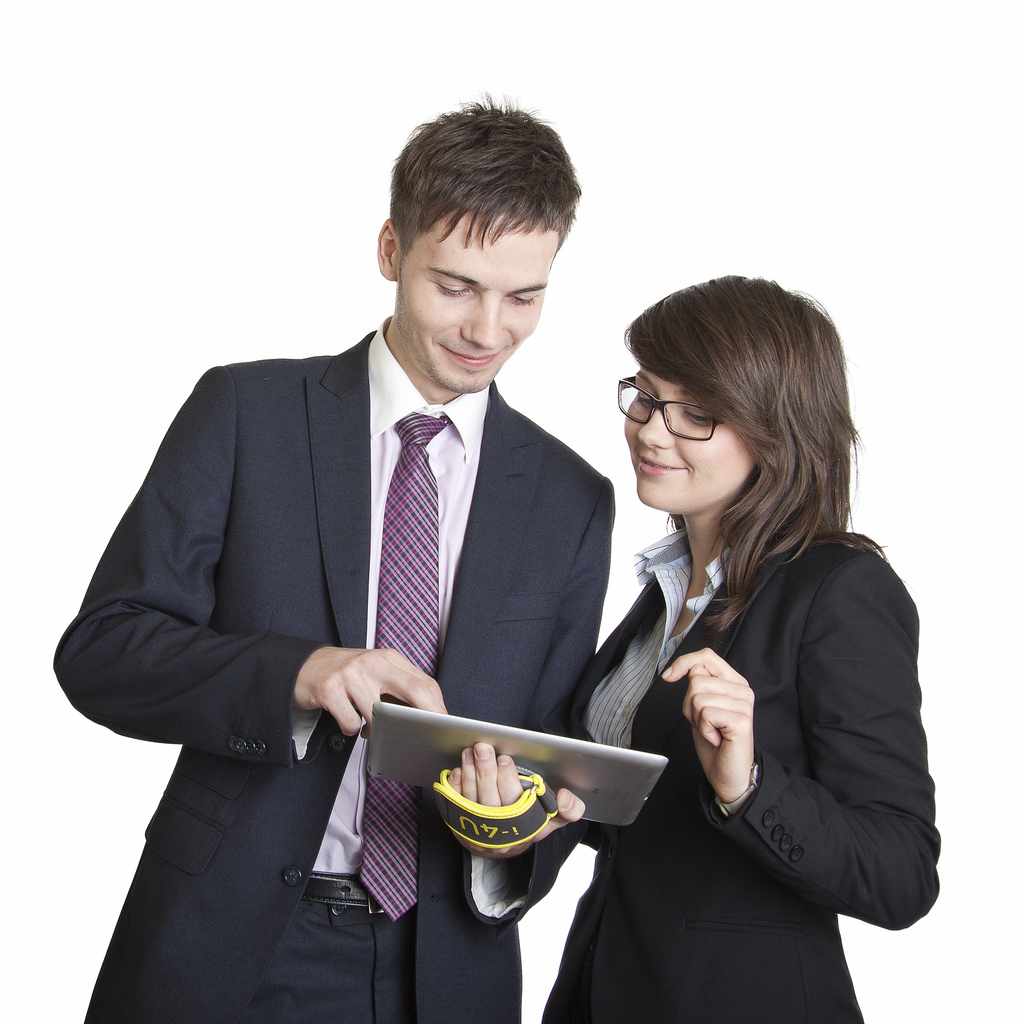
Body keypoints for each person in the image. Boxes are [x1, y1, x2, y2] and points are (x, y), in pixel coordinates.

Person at [54, 100, 613, 1024]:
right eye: (456, 286)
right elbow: (103, 651)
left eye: (524, 297)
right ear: (390, 250)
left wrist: (513, 831)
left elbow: (551, 754)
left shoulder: (573, 498)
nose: (488, 330)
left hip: (446, 973)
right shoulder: (246, 414)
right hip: (227, 944)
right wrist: (301, 674)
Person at [537, 276, 939, 1023]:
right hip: (603, 989)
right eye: (646, 396)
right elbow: (633, 821)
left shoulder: (840, 590)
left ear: (776, 430)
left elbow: (901, 873)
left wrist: (747, 786)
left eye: (697, 414)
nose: (652, 431)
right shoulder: (665, 590)